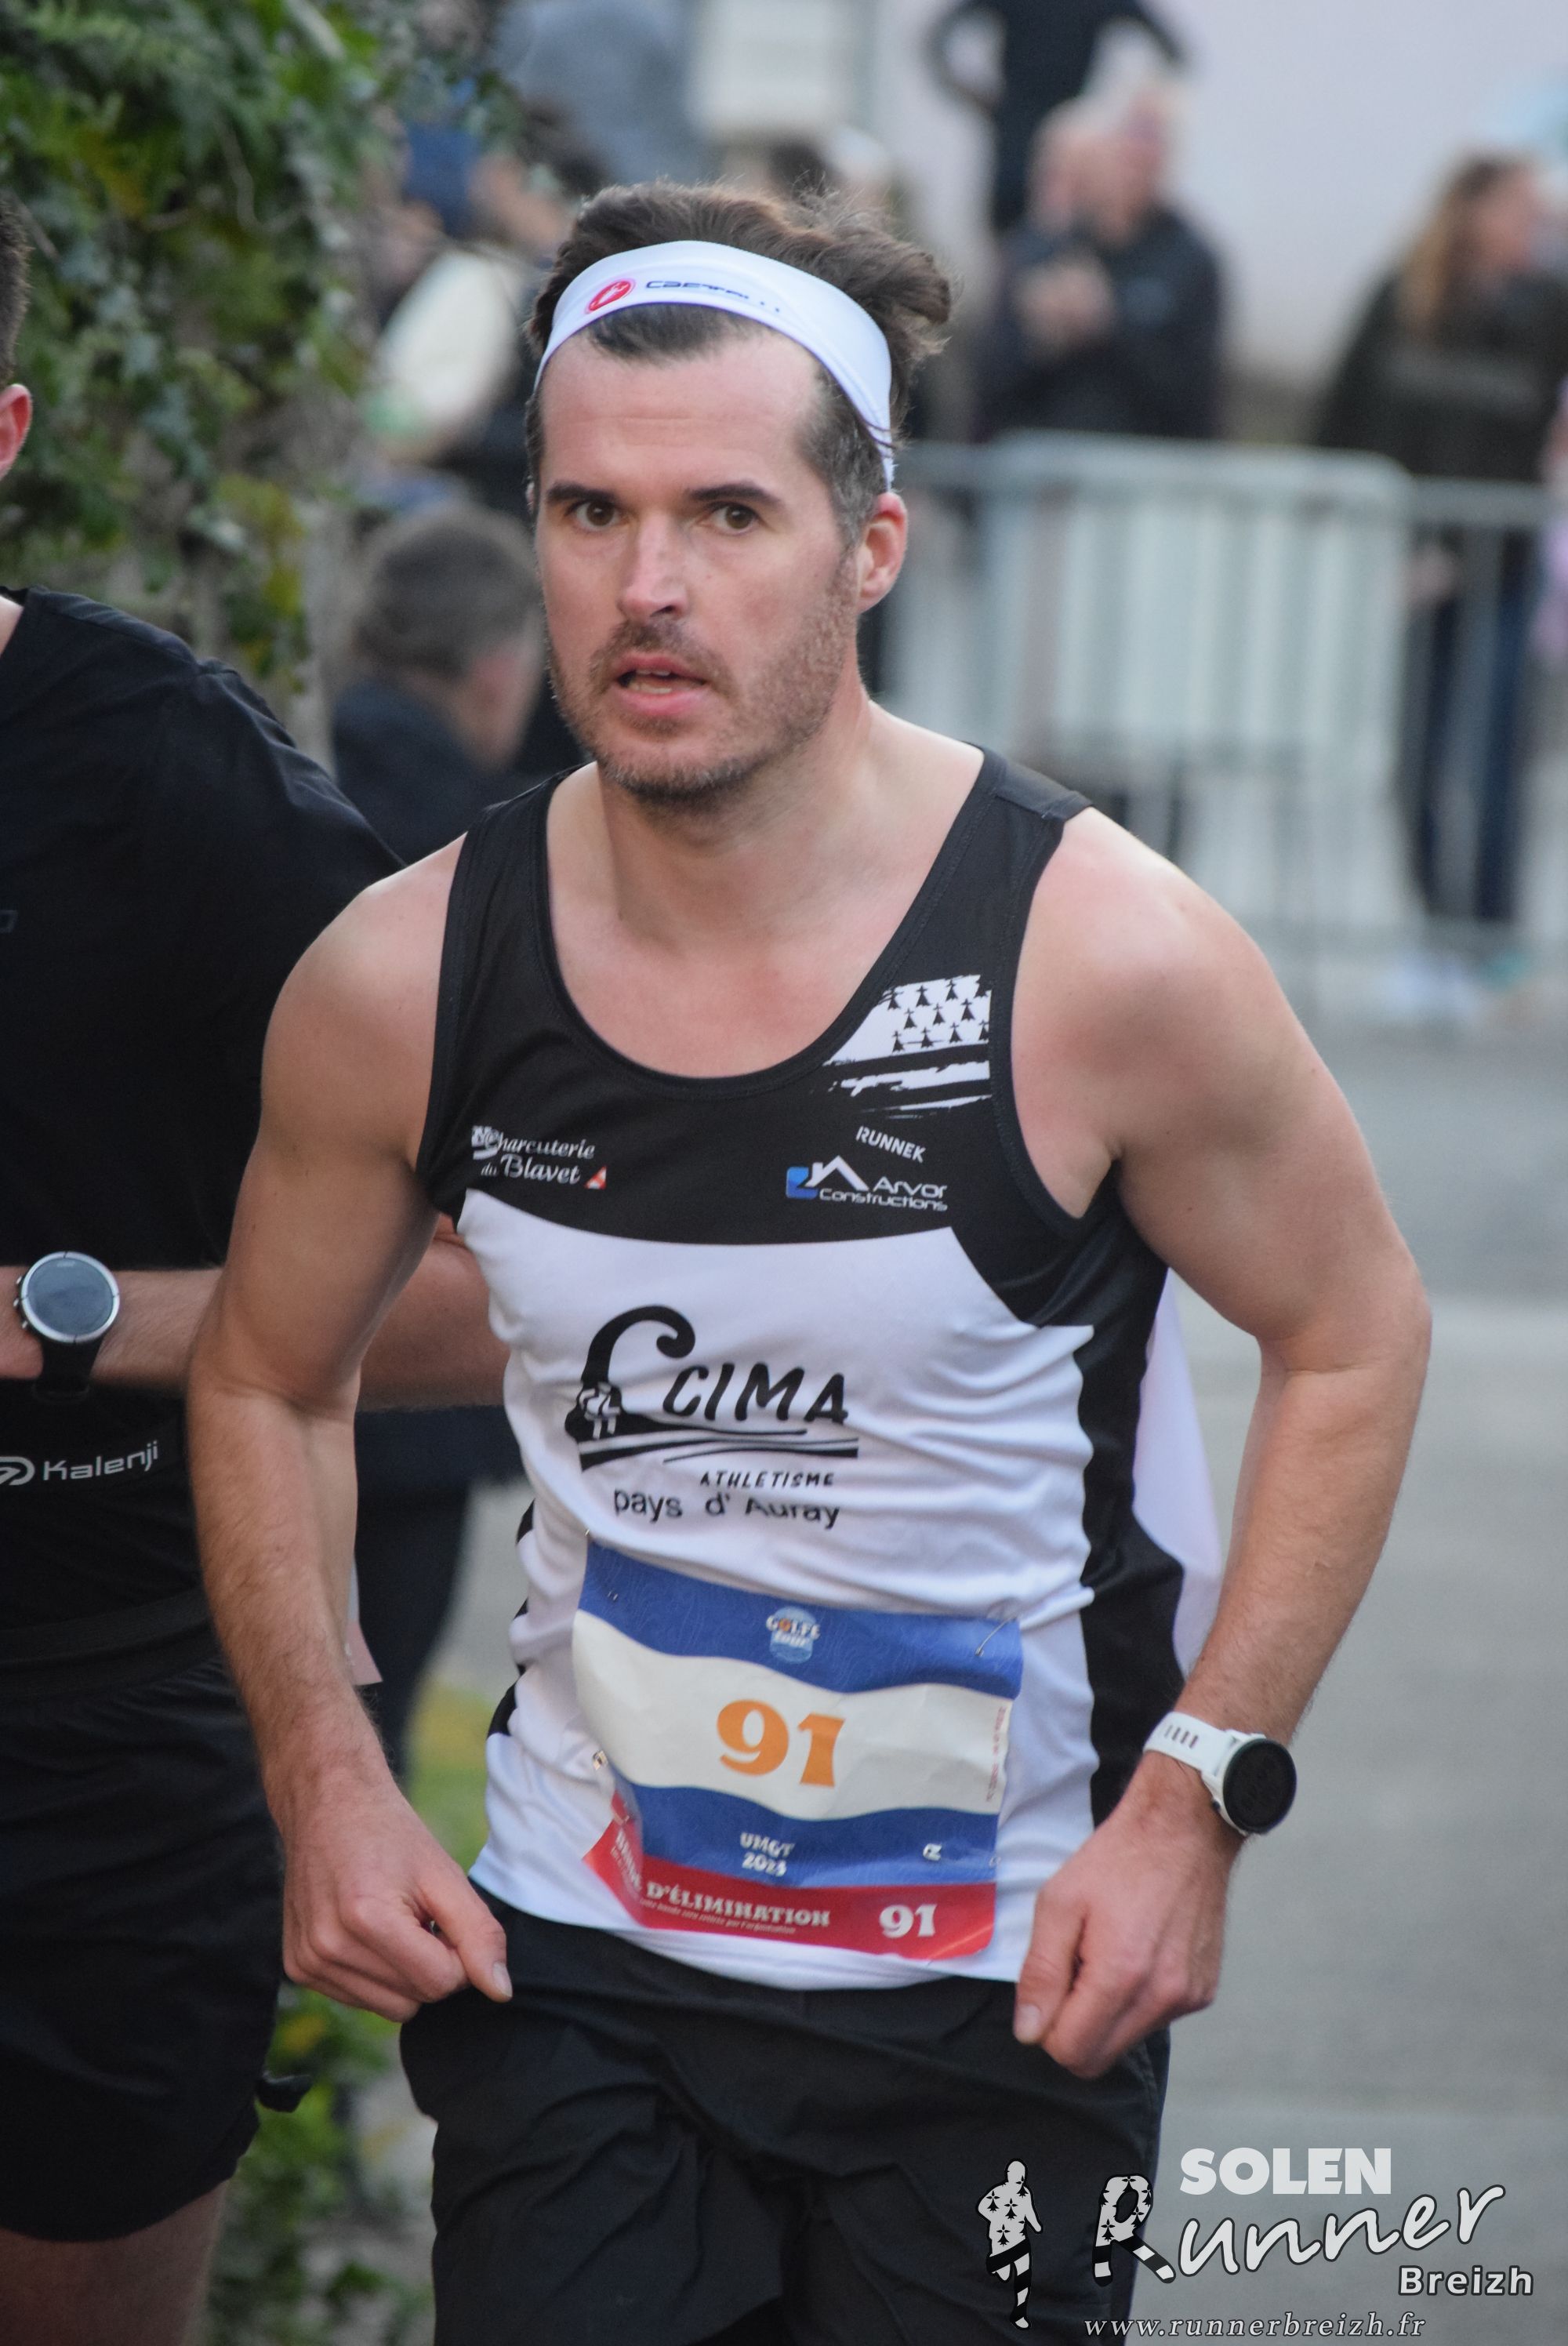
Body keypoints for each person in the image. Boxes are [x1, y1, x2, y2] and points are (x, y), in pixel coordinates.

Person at [189, 182, 1430, 2344]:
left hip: (1000, 1991)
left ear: (873, 544)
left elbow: (1351, 1332)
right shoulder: (406, 975)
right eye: (589, 512)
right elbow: (268, 1374)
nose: (647, 588)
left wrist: (1194, 1799)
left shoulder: (1099, 957)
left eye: (729, 516)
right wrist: (327, 1773)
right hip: (577, 1965)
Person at [0, 200, 503, 2346]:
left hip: (89, 1745)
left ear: (5, 431)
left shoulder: (168, 780)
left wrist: (51, 1318)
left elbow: (491, 1286)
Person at [333, 505, 546, 1780]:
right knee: (373, 1737)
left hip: (248, 1310)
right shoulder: (499, 849)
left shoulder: (279, 778)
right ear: (499, 667)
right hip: (419, 1351)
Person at [1316, 154, 1568, 949]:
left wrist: (1454, 551)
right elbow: (1341, 422)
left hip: (1500, 564)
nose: (1535, 223)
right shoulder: (1402, 297)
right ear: (1472, 211)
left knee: (1494, 756)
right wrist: (1368, 541)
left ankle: (1489, 935)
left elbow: (1517, 446)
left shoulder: (1547, 307)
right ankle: (1435, 927)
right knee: (1416, 757)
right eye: (1520, 208)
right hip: (1405, 569)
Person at [973, 90, 1224, 442]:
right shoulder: (1044, 248)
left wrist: (1109, 327)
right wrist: (1043, 336)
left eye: (1151, 145)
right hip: (1040, 456)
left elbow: (1197, 398)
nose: (1137, 160)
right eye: (1129, 142)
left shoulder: (1190, 262)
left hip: (1142, 459)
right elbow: (989, 384)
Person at [928, 0, 1185, 234]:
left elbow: (1171, 50)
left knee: (1062, 231)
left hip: (1060, 142)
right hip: (1019, 140)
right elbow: (1171, 50)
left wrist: (1127, 114)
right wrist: (974, 96)